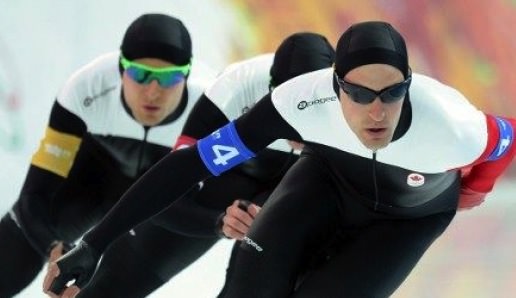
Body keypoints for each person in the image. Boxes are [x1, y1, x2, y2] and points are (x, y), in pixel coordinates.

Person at [44, 20, 515, 298]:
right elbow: (190, 165)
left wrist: (476, 189)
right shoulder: (298, 102)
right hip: (326, 183)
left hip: (407, 220)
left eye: (391, 94)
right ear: (334, 88)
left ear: (409, 86)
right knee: (250, 285)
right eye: (358, 93)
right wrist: (97, 241)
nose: (376, 111)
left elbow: (507, 138)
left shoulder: (453, 125)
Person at [75, 32, 335, 298]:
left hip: (298, 181)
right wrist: (218, 222)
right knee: (112, 287)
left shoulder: (355, 102)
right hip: (229, 177)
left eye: (307, 107)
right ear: (269, 93)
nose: (296, 120)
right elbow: (168, 190)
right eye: (286, 106)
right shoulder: (235, 88)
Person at [0, 13, 216, 298]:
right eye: (140, 74)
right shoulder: (85, 89)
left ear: (186, 75)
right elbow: (34, 195)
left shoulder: (214, 105)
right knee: (16, 253)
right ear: (121, 69)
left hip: (162, 204)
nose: (153, 91)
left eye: (170, 78)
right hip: (93, 181)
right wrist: (53, 247)